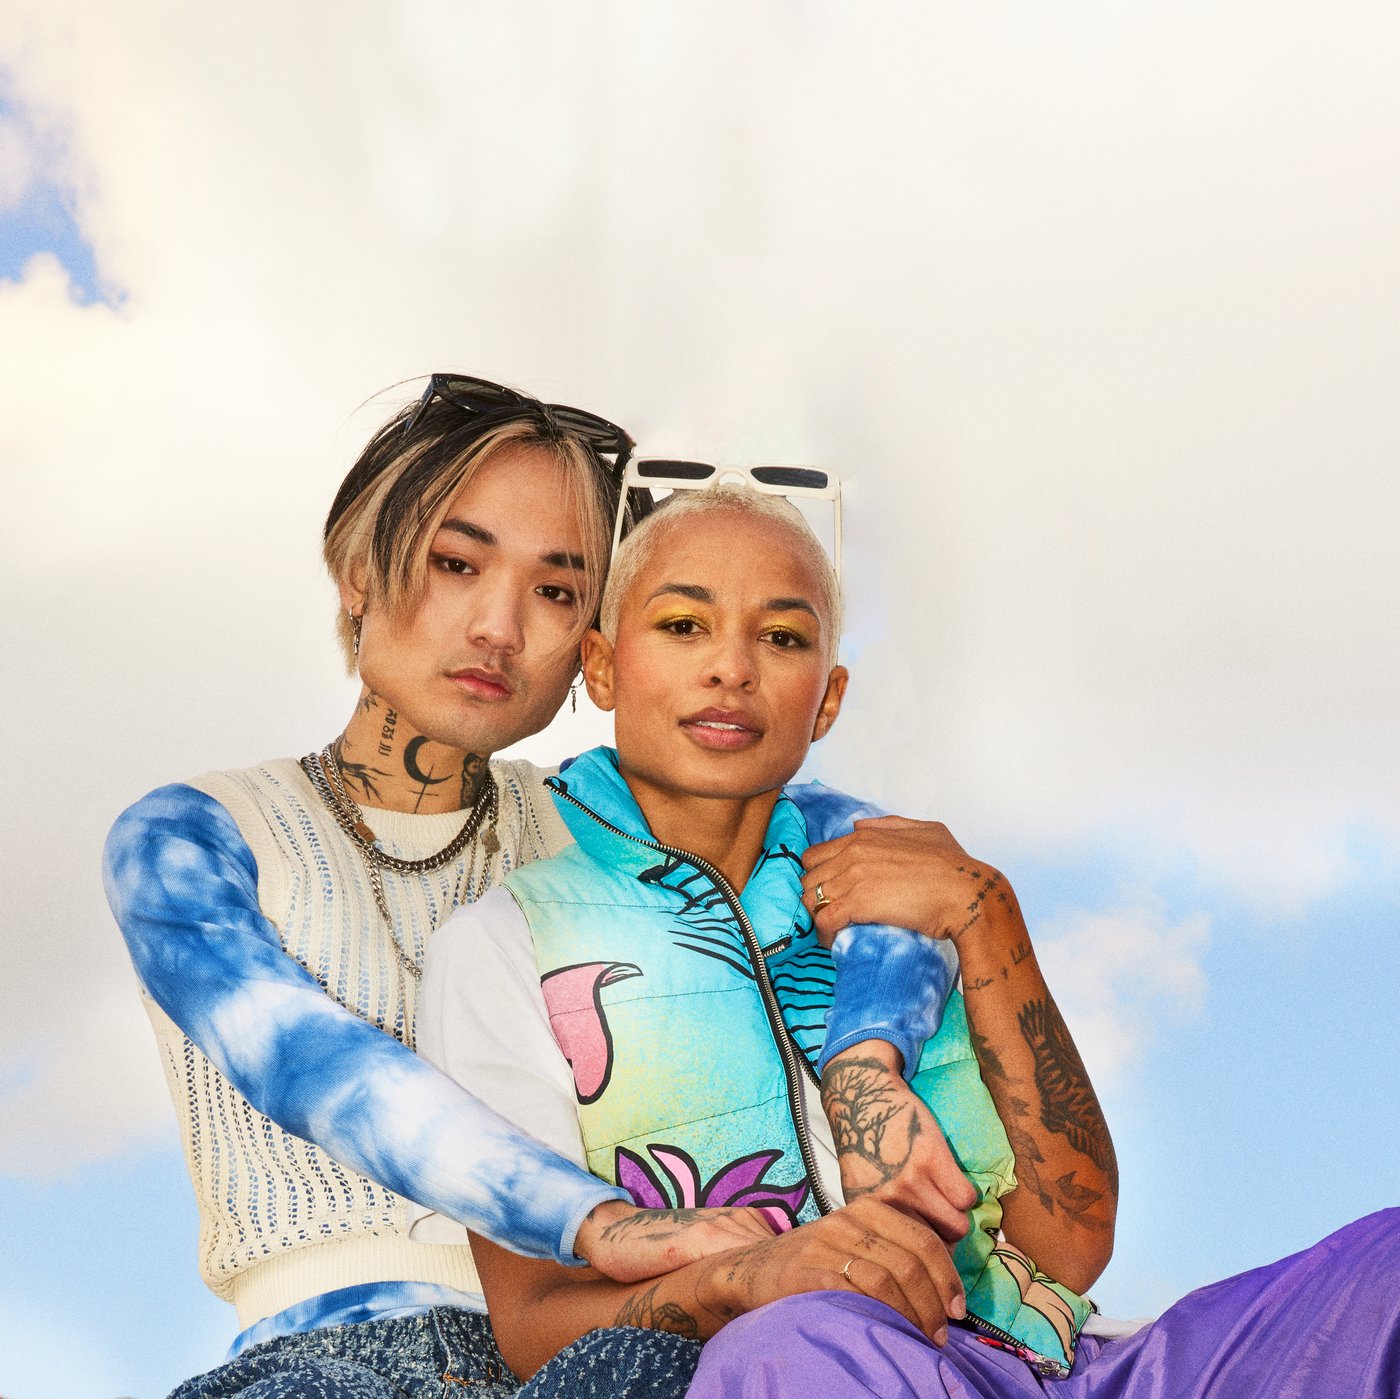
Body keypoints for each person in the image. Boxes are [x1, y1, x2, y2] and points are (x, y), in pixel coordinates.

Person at [418, 482, 1400, 1398]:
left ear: (828, 695)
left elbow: (1067, 1246)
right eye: (683, 625)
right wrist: (746, 1277)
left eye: (781, 636)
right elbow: (530, 1319)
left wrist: (985, 912)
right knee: (789, 1341)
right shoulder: (505, 945)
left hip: (1066, 1366)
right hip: (809, 1362)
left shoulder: (910, 896)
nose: (730, 666)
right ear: (600, 665)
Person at [103, 376, 951, 1399]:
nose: (498, 626)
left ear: (593, 644)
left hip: (609, 1348)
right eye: (455, 564)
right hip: (320, 1362)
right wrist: (601, 1220)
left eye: (557, 589)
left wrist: (866, 1061)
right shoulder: (192, 835)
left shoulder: (594, 829)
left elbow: (867, 851)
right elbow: (316, 1066)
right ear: (356, 569)